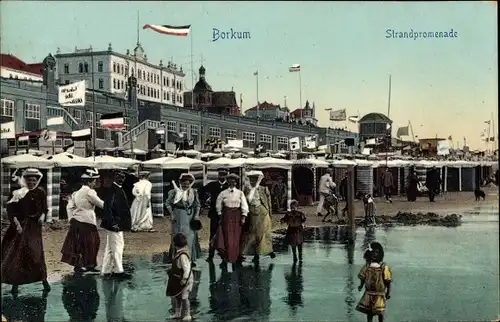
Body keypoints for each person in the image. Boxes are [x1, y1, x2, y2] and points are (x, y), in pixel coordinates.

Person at [1, 168, 51, 294]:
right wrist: (17, 225)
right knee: (19, 254)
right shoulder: (18, 193)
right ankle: (15, 284)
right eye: (29, 180)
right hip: (20, 227)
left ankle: (43, 280)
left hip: (34, 228)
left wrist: (42, 216)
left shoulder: (41, 192)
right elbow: (11, 211)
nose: (32, 183)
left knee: (36, 254)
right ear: (25, 180)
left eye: (34, 180)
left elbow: (45, 208)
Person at [61, 168, 104, 273]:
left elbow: (70, 206)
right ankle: (90, 265)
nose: (95, 183)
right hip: (87, 220)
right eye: (94, 181)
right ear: (89, 181)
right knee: (93, 242)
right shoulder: (90, 192)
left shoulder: (76, 193)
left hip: (76, 220)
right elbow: (100, 204)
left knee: (77, 243)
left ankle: (78, 265)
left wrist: (71, 218)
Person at [100, 170, 132, 279]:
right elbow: (107, 208)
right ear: (114, 178)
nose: (121, 179)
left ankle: (106, 270)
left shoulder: (117, 189)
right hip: (115, 224)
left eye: (123, 177)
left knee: (110, 248)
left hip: (116, 223)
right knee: (118, 247)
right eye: (119, 177)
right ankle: (118, 271)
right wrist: (113, 223)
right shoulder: (112, 190)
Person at [165, 173, 201, 267]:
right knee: (178, 236)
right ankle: (177, 258)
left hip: (190, 216)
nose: (185, 186)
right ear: (180, 183)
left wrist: (196, 215)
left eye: (187, 184)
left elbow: (197, 205)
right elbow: (168, 204)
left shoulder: (193, 192)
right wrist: (172, 214)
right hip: (178, 216)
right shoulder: (174, 192)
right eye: (184, 183)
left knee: (190, 237)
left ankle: (189, 258)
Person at [214, 173, 249, 269]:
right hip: (227, 216)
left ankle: (235, 258)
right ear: (227, 182)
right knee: (227, 238)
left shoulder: (240, 193)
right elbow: (218, 205)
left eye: (233, 181)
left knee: (236, 238)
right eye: (230, 181)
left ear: (236, 183)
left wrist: (243, 217)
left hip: (237, 217)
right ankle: (225, 258)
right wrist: (220, 215)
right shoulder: (223, 193)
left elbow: (244, 205)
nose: (231, 183)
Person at [240, 170, 276, 264]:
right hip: (252, 213)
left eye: (255, 179)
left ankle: (267, 251)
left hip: (263, 212)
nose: (253, 181)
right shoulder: (247, 189)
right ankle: (253, 253)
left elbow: (269, 203)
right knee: (252, 234)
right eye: (252, 179)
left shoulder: (264, 189)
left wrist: (270, 214)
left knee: (265, 233)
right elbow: (247, 200)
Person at [356, 242, 392, 322]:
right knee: (369, 312)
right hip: (369, 293)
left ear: (380, 254)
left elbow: (388, 281)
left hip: (379, 293)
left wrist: (388, 292)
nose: (374, 255)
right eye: (372, 253)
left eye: (376, 252)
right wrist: (361, 286)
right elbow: (363, 277)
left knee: (380, 312)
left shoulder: (383, 267)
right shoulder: (367, 266)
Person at [199, 168, 228, 262]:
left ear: (226, 175)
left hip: (226, 214)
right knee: (212, 234)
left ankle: (224, 255)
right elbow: (201, 191)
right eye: (220, 174)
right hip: (214, 214)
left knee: (225, 234)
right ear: (218, 175)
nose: (222, 176)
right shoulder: (212, 185)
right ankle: (210, 255)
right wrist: (205, 202)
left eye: (224, 175)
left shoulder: (229, 186)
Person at [166, 233, 194, 321]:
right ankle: (177, 313)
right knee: (177, 296)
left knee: (185, 297)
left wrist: (184, 279)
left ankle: (187, 314)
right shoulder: (178, 253)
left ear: (175, 244)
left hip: (185, 280)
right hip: (178, 278)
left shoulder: (182, 256)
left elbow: (187, 269)